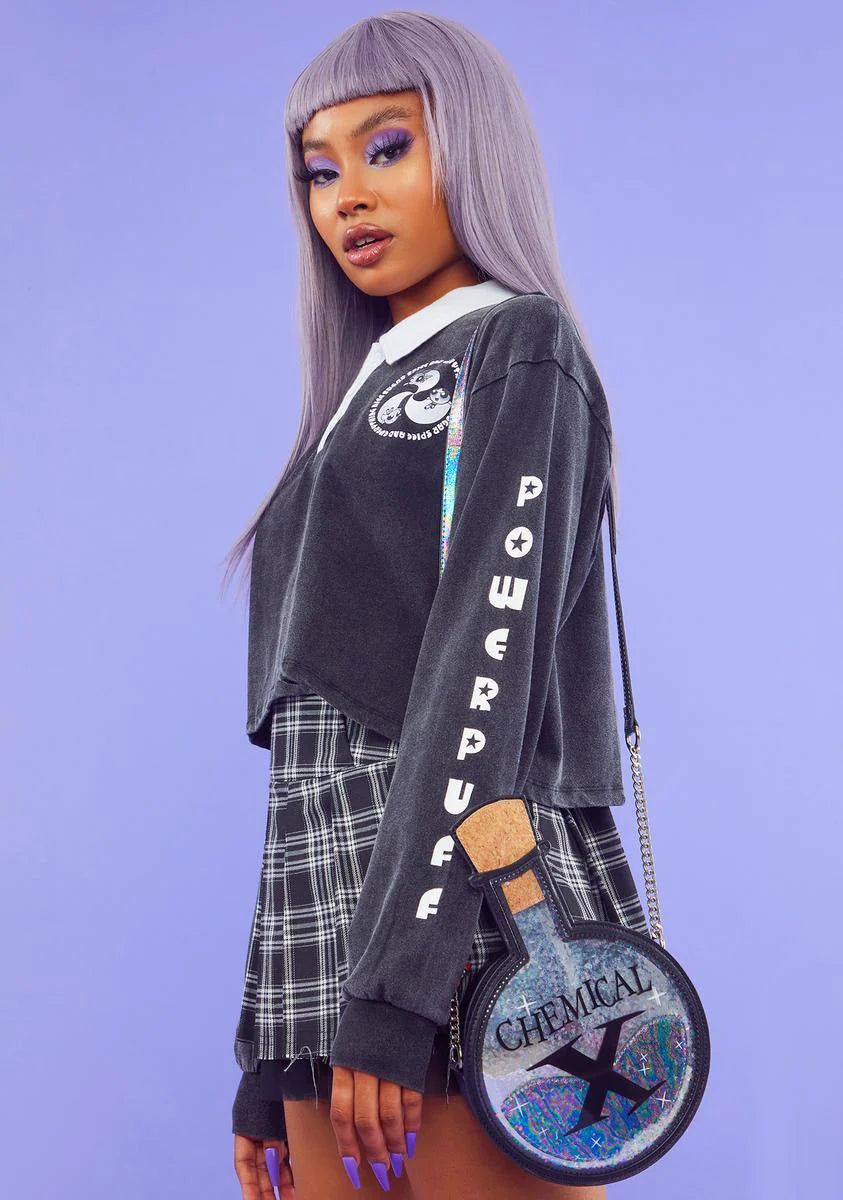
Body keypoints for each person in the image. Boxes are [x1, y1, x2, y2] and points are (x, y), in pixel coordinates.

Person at [224, 12, 650, 1199]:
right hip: (331, 928)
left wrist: (397, 989)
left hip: (462, 901)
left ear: (473, 144)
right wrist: (266, 1053)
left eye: (387, 147)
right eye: (319, 171)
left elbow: (481, 680)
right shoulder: (353, 398)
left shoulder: (518, 348)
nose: (348, 197)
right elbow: (305, 764)